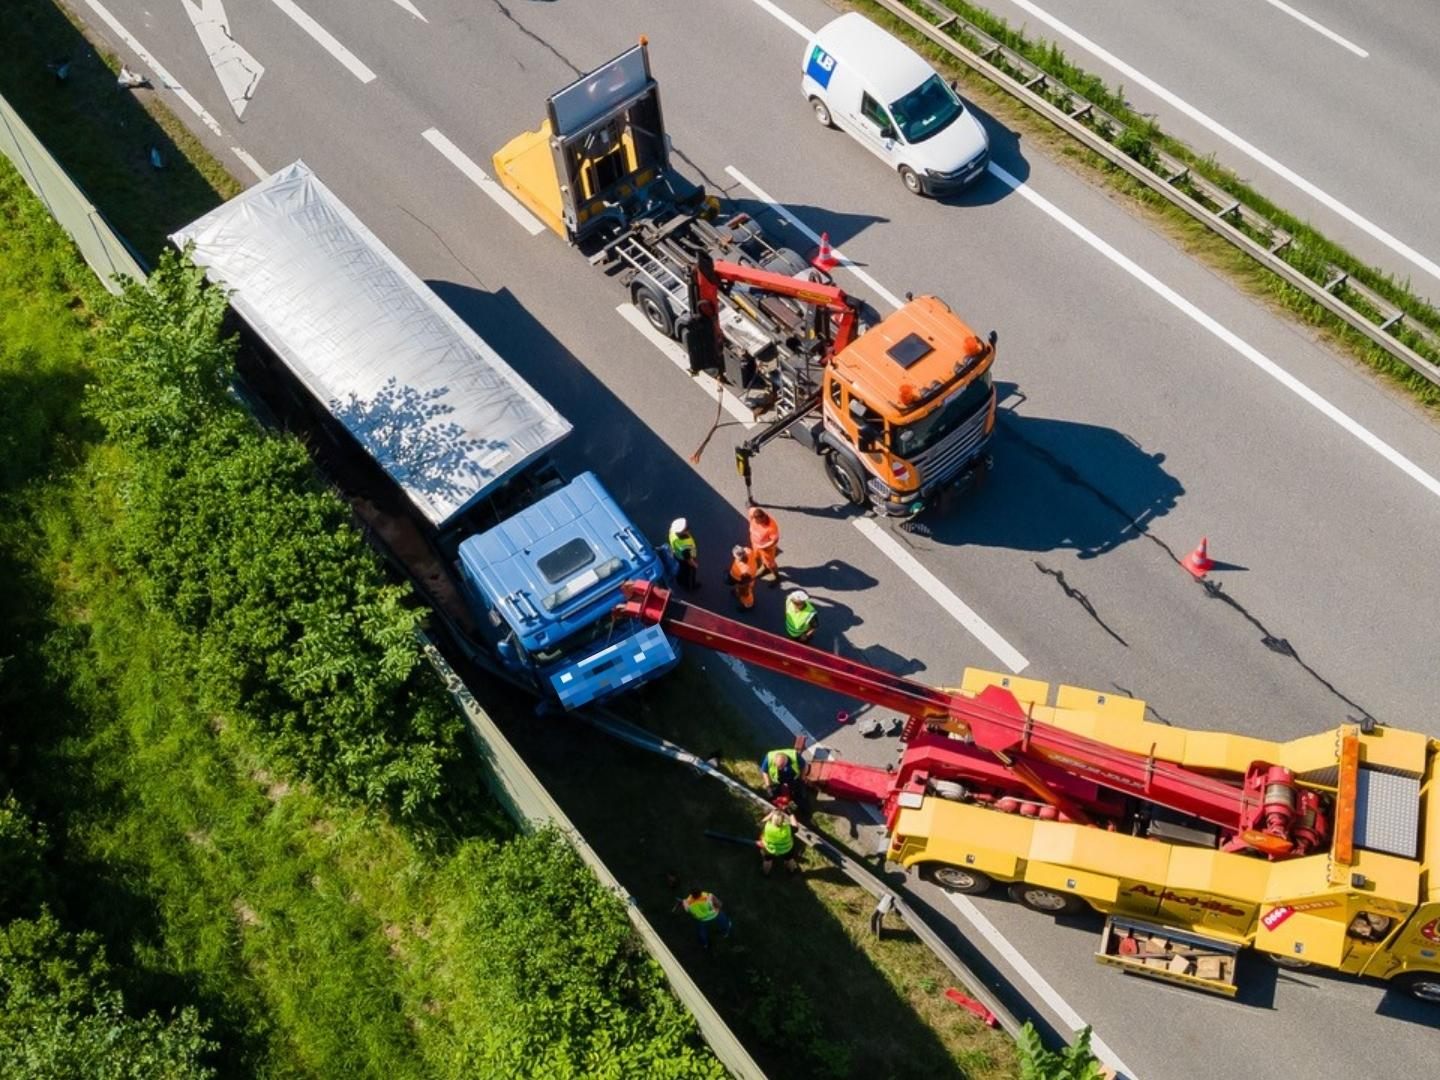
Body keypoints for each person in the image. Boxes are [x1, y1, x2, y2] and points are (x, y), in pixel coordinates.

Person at [757, 801, 801, 875]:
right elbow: (796, 826)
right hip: (786, 849)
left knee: (767, 861)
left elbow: (762, 821)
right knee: (789, 859)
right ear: (783, 820)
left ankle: (765, 874)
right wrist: (791, 814)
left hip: (769, 849)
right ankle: (792, 871)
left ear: (772, 819)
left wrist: (771, 813)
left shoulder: (766, 826)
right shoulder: (788, 828)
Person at [747, 506, 781, 585]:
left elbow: (774, 541)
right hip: (755, 544)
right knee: (756, 557)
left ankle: (777, 577)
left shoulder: (771, 527)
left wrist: (765, 547)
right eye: (755, 521)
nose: (757, 523)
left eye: (759, 522)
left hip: (766, 548)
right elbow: (751, 508)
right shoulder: (753, 514)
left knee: (770, 564)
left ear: (763, 518)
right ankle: (766, 569)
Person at [668, 517, 699, 591]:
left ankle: (680, 581)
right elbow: (688, 559)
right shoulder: (685, 545)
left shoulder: (672, 532)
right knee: (689, 574)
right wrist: (694, 564)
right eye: (686, 528)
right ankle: (690, 587)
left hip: (677, 555)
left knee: (680, 570)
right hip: (685, 559)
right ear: (681, 532)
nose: (689, 529)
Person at [727, 544, 757, 610]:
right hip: (739, 578)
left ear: (739, 558)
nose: (733, 556)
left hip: (743, 583)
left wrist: (742, 591)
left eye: (734, 555)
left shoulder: (745, 571)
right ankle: (737, 591)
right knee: (739, 589)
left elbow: (745, 584)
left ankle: (748, 605)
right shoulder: (748, 550)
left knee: (745, 595)